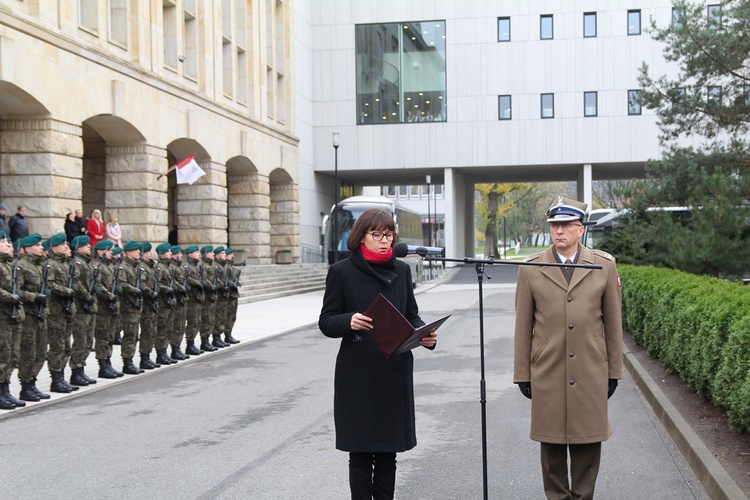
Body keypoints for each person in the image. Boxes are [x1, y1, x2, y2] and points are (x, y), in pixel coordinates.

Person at [318, 208, 438, 500]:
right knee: (360, 453)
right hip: (357, 373)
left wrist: (425, 334)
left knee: (387, 453)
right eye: (377, 234)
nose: (385, 240)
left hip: (392, 369)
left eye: (389, 234)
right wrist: (349, 321)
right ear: (361, 237)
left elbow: (412, 314)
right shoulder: (341, 271)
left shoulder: (401, 270)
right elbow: (326, 320)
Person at [513, 196, 623, 500]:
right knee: (551, 448)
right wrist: (523, 373)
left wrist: (614, 371)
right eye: (554, 225)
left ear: (580, 229)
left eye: (565, 225)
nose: (559, 231)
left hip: (590, 367)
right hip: (547, 368)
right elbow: (523, 326)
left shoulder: (603, 265)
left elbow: (613, 324)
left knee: (588, 444)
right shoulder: (532, 268)